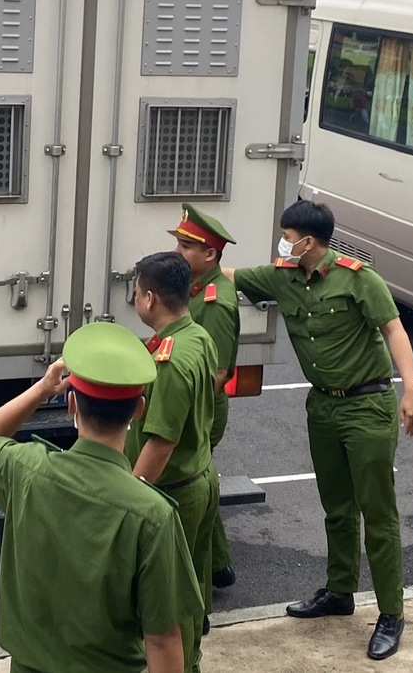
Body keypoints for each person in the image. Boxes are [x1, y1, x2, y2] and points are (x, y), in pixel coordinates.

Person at [231, 200, 413, 661]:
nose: (282, 242)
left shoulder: (359, 278)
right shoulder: (283, 276)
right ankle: (339, 592)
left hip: (367, 405)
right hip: (323, 406)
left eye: (287, 235)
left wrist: (412, 390)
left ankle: (391, 613)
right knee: (336, 507)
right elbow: (228, 276)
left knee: (378, 514)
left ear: (309, 242)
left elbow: (394, 331)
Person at [0, 322, 193, 673]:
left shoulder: (26, 469)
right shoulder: (152, 513)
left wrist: (42, 389)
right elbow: (162, 639)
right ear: (139, 409)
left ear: (71, 403)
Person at [127, 250, 220, 673]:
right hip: (198, 479)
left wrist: (126, 498)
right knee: (192, 589)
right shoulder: (197, 337)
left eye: (135, 292)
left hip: (173, 495)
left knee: (170, 601)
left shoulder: (169, 360)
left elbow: (161, 443)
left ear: (150, 299)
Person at [171, 204, 241, 590]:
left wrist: (177, 409)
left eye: (186, 246)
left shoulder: (215, 302)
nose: (178, 252)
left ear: (210, 255)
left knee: (190, 487)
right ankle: (219, 567)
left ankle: (198, 586)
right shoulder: (197, 289)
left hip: (201, 410)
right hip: (195, 407)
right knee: (203, 479)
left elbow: (214, 375)